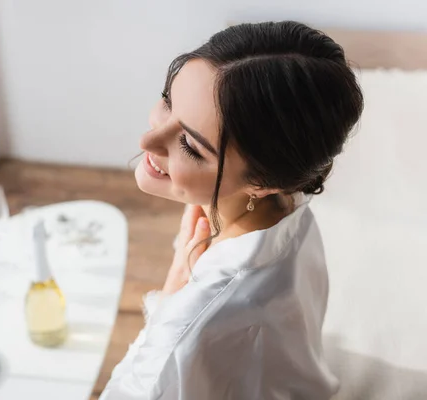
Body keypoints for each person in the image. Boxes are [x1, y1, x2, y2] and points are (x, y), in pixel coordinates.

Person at [100, 21, 363, 399]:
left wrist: (171, 300)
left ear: (263, 180)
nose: (148, 140)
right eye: (167, 100)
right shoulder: (286, 205)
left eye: (190, 145)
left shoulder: (193, 319)